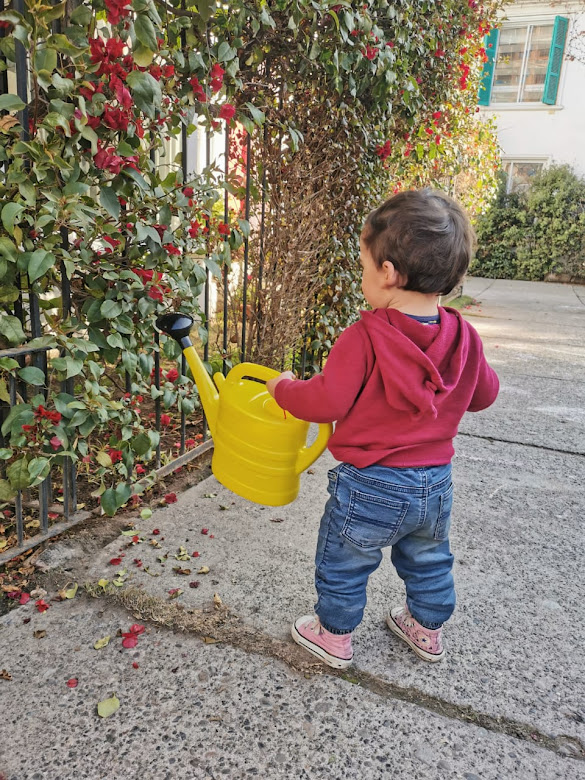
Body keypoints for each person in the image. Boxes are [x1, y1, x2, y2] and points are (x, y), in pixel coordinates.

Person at [265, 188, 499, 669]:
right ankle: (427, 628)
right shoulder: (464, 337)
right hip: (434, 485)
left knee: (344, 561)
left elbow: (326, 401)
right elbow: (485, 395)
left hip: (370, 485)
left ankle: (334, 636)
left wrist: (283, 388)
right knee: (429, 560)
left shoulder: (364, 337)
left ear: (388, 273)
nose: (363, 277)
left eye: (364, 267)